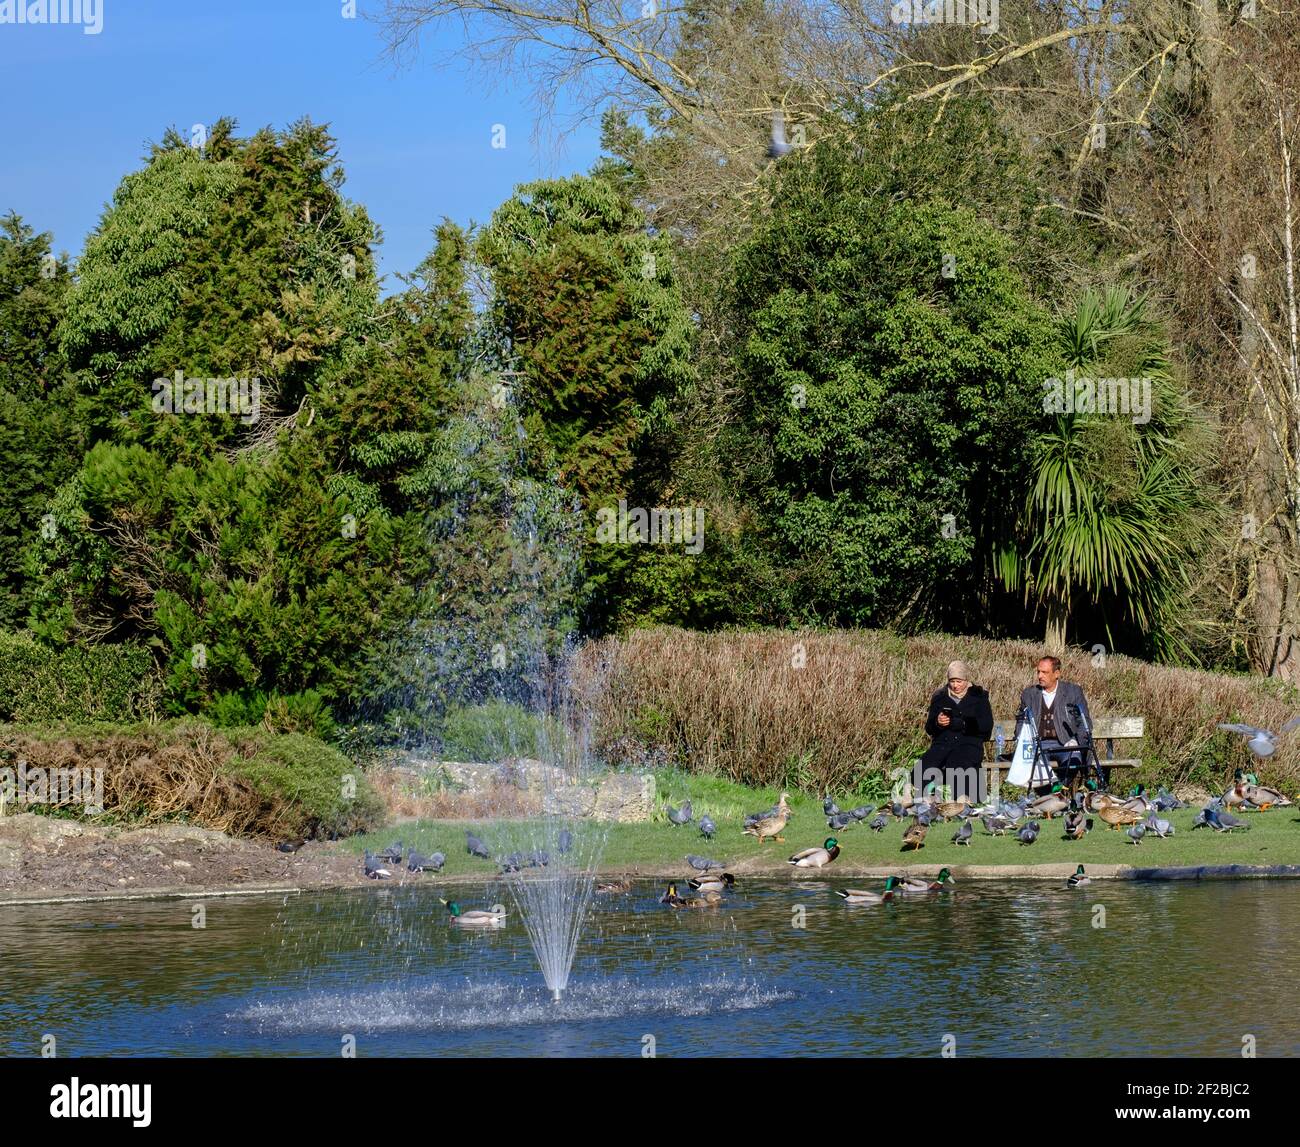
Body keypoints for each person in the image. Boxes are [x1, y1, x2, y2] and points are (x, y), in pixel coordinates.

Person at [1010, 655, 1095, 792]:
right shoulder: (1029, 694)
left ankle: (1057, 793)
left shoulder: (1072, 692)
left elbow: (1083, 720)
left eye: (1044, 672)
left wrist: (1077, 742)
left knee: (1073, 762)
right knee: (1033, 765)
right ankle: (1048, 798)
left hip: (1065, 743)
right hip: (1039, 744)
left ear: (1057, 673)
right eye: (1038, 671)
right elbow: (1022, 719)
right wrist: (1021, 738)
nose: (1040, 676)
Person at [920, 660, 993, 803]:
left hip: (969, 743)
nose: (955, 685)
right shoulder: (939, 697)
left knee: (958, 765)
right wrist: (938, 722)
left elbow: (986, 727)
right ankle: (927, 802)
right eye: (952, 681)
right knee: (924, 766)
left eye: (959, 681)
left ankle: (963, 803)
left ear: (966, 680)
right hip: (943, 744)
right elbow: (929, 728)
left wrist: (961, 723)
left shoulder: (979, 697)